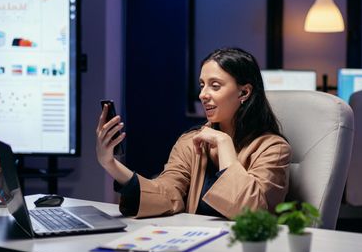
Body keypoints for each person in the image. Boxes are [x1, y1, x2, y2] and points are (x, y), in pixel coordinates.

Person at [95, 47, 291, 219]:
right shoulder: (192, 141)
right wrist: (110, 164)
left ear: (244, 93)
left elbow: (250, 212)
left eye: (215, 85)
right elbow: (166, 194)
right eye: (202, 84)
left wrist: (224, 144)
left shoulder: (273, 149)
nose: (203, 94)